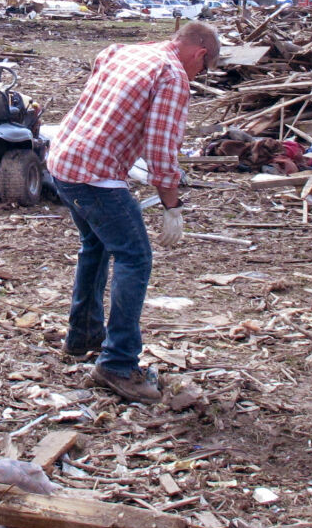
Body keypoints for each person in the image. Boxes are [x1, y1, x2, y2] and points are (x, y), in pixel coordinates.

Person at [46, 21, 220, 403]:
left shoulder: (123, 51)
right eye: (202, 70)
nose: (197, 76)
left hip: (62, 160)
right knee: (135, 257)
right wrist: (171, 206)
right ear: (200, 54)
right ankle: (118, 363)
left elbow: (100, 74)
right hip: (95, 175)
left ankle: (83, 336)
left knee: (96, 246)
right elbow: (161, 152)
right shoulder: (173, 75)